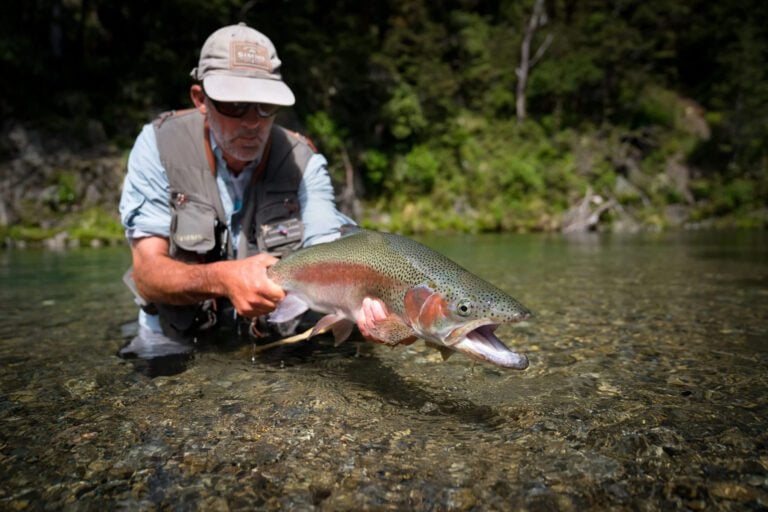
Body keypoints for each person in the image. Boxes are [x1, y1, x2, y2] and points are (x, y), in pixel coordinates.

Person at [118, 23, 385, 357]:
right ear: (200, 99)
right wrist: (223, 278)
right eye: (235, 104)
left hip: (271, 331)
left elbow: (328, 252)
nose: (252, 122)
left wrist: (377, 309)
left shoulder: (304, 161)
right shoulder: (159, 145)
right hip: (173, 333)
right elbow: (146, 276)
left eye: (264, 106)